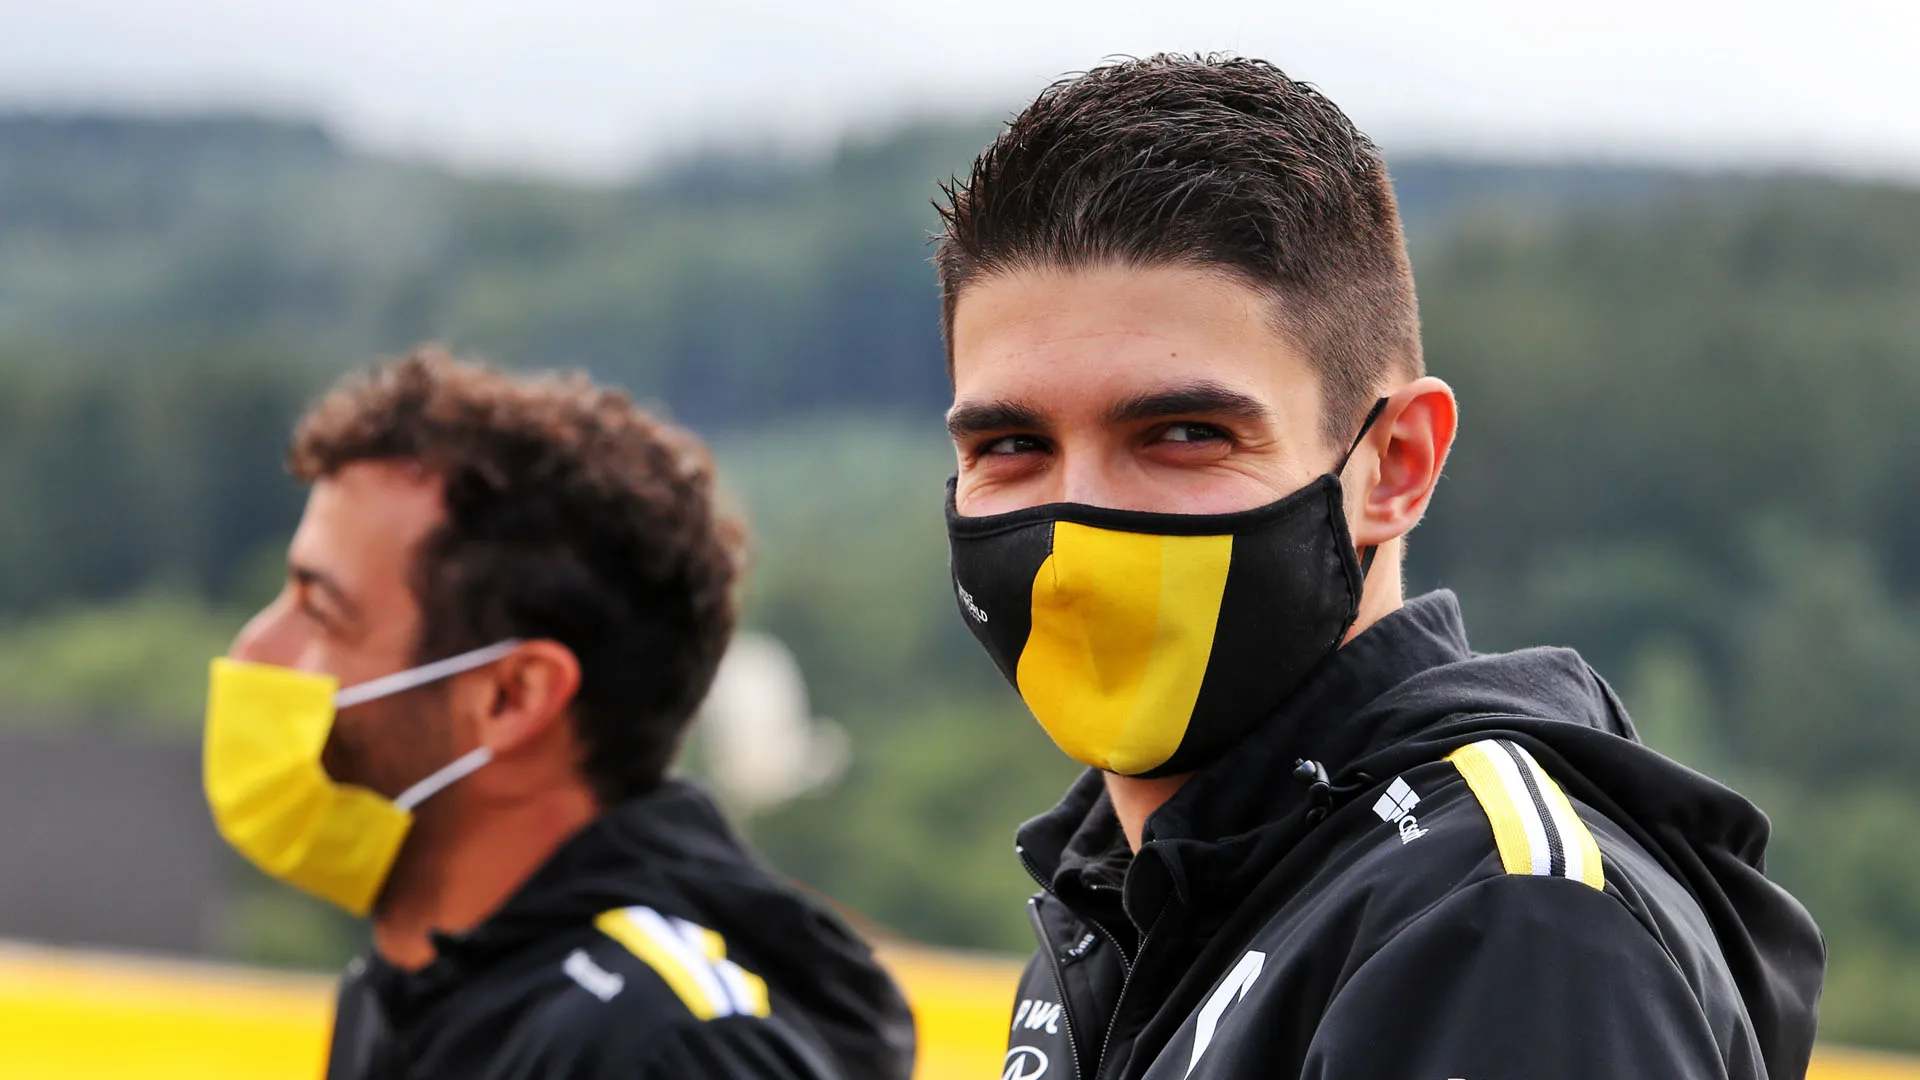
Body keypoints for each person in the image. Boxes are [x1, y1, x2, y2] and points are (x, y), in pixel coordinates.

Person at [934, 56, 1823, 1080]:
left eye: (1183, 434)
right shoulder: (1126, 902)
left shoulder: (1506, 925)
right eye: (1011, 447)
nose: (1076, 535)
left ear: (1396, 464)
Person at [204, 349, 915, 1079]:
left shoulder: (665, 1048)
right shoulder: (406, 991)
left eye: (323, 612)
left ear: (513, 697)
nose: (253, 650)